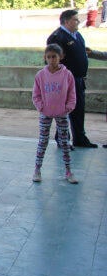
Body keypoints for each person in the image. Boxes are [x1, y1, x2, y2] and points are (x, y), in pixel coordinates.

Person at [47, 9, 97, 148]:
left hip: (79, 79)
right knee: (64, 110)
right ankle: (63, 139)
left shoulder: (77, 35)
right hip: (65, 80)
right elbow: (51, 61)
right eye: (76, 19)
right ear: (67, 21)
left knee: (79, 109)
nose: (78, 22)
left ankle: (80, 138)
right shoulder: (57, 37)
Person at [31, 44, 78, 184]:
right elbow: (36, 95)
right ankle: (37, 170)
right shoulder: (40, 75)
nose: (51, 60)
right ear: (45, 58)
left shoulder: (67, 75)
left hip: (62, 113)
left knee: (65, 142)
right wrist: (41, 106)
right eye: (49, 57)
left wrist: (68, 107)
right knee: (43, 141)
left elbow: (72, 93)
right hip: (46, 113)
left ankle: (68, 171)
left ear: (61, 57)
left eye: (54, 57)